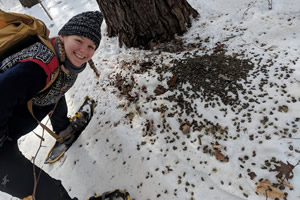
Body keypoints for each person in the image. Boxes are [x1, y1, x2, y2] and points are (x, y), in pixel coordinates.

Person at [0, 11, 103, 200]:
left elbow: (55, 92)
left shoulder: (59, 58)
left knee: (55, 89)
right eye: (78, 40)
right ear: (63, 35)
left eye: (91, 46)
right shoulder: (38, 67)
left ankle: (63, 129)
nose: (84, 51)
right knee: (45, 191)